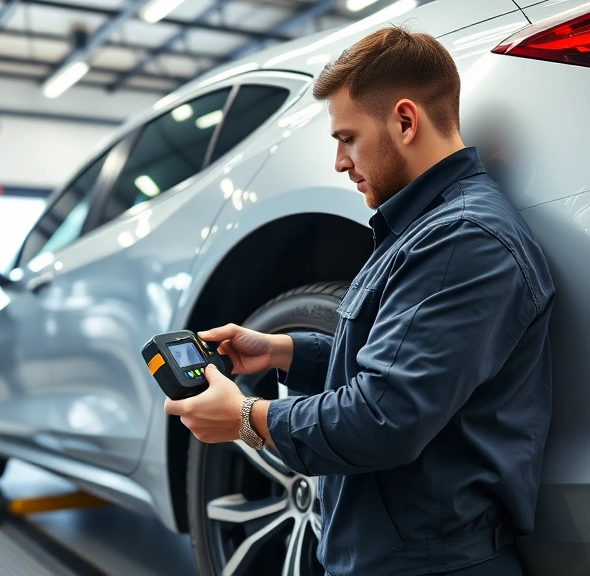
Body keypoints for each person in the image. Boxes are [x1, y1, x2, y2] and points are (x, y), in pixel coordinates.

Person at [165, 26, 555, 575]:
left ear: (404, 120)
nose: (340, 162)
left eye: (347, 138)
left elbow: (383, 417)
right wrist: (283, 351)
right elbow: (397, 369)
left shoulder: (462, 240)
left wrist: (247, 419)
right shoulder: (422, 230)